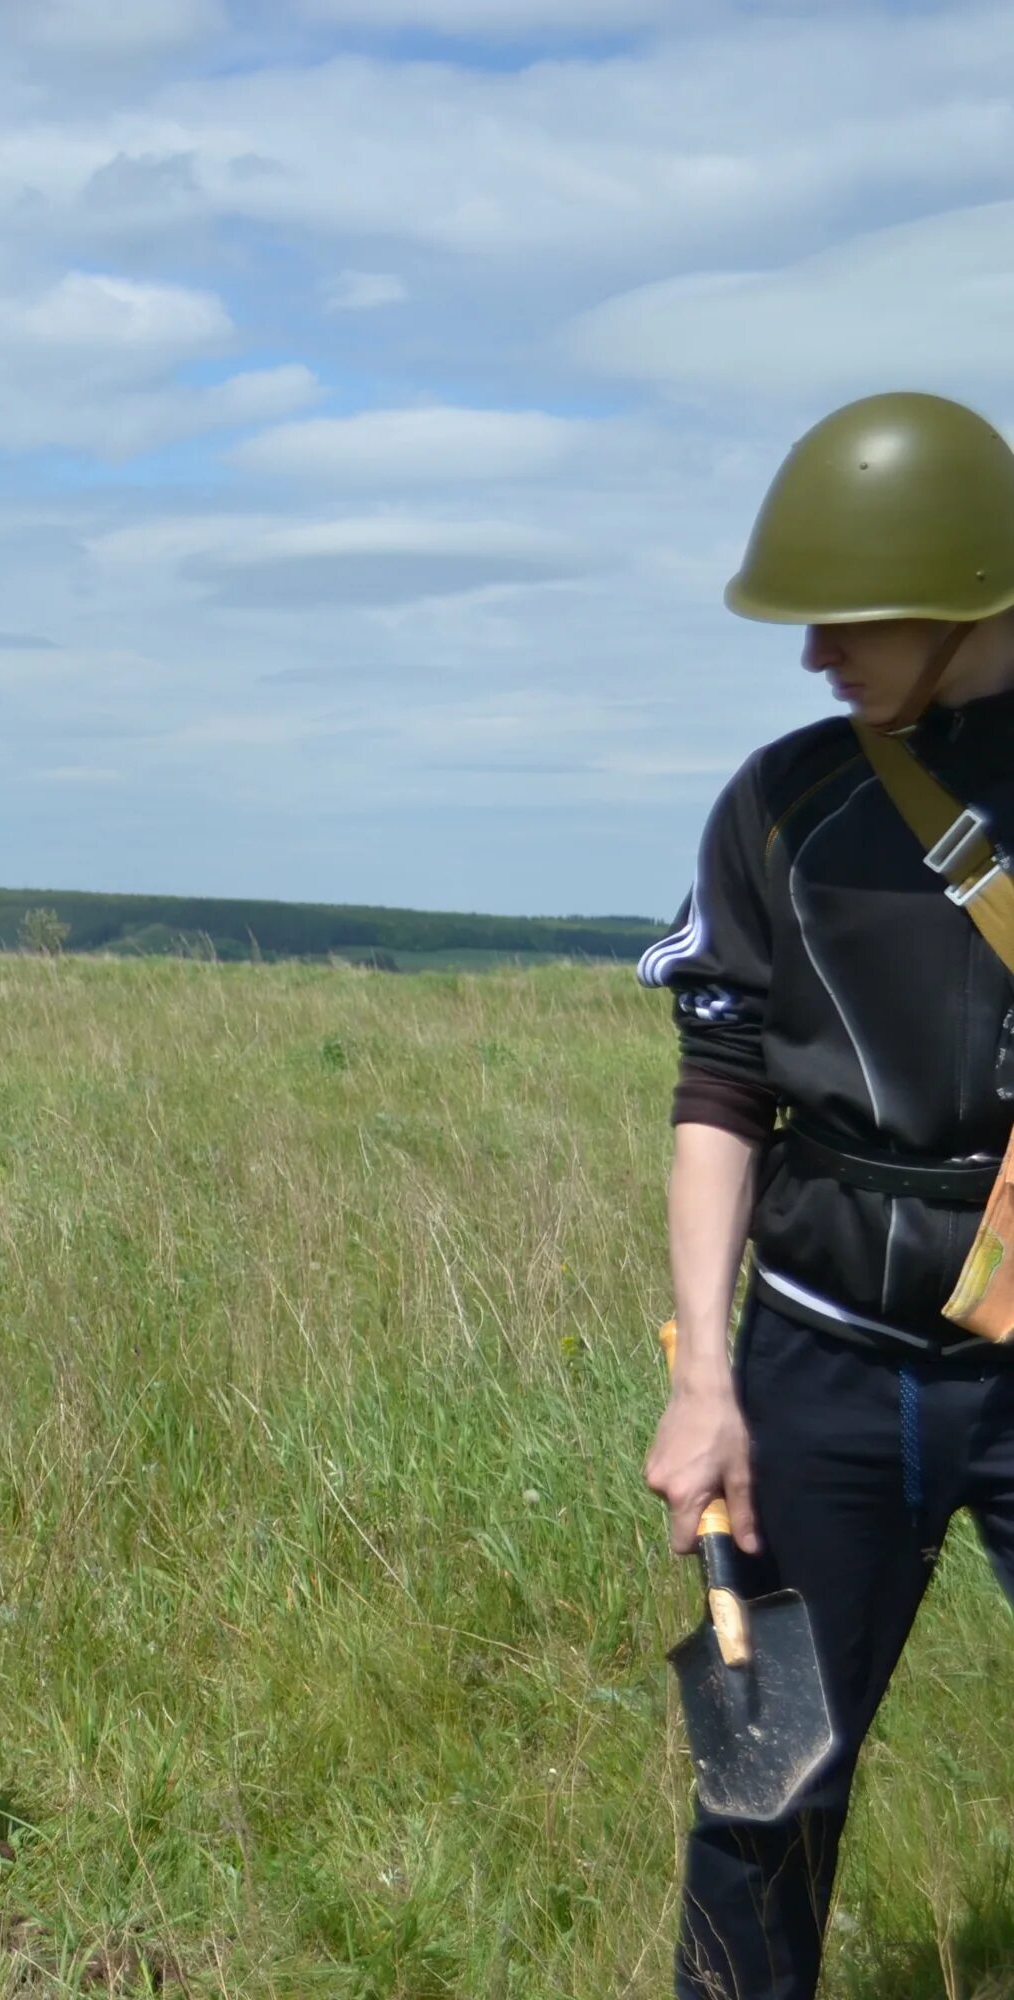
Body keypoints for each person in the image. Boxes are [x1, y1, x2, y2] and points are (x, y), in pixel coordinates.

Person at [637, 392, 1014, 2000]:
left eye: (847, 620)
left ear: (971, 597)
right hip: (818, 1365)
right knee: (763, 1777)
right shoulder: (783, 804)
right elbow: (723, 1090)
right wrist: (709, 1385)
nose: (813, 659)